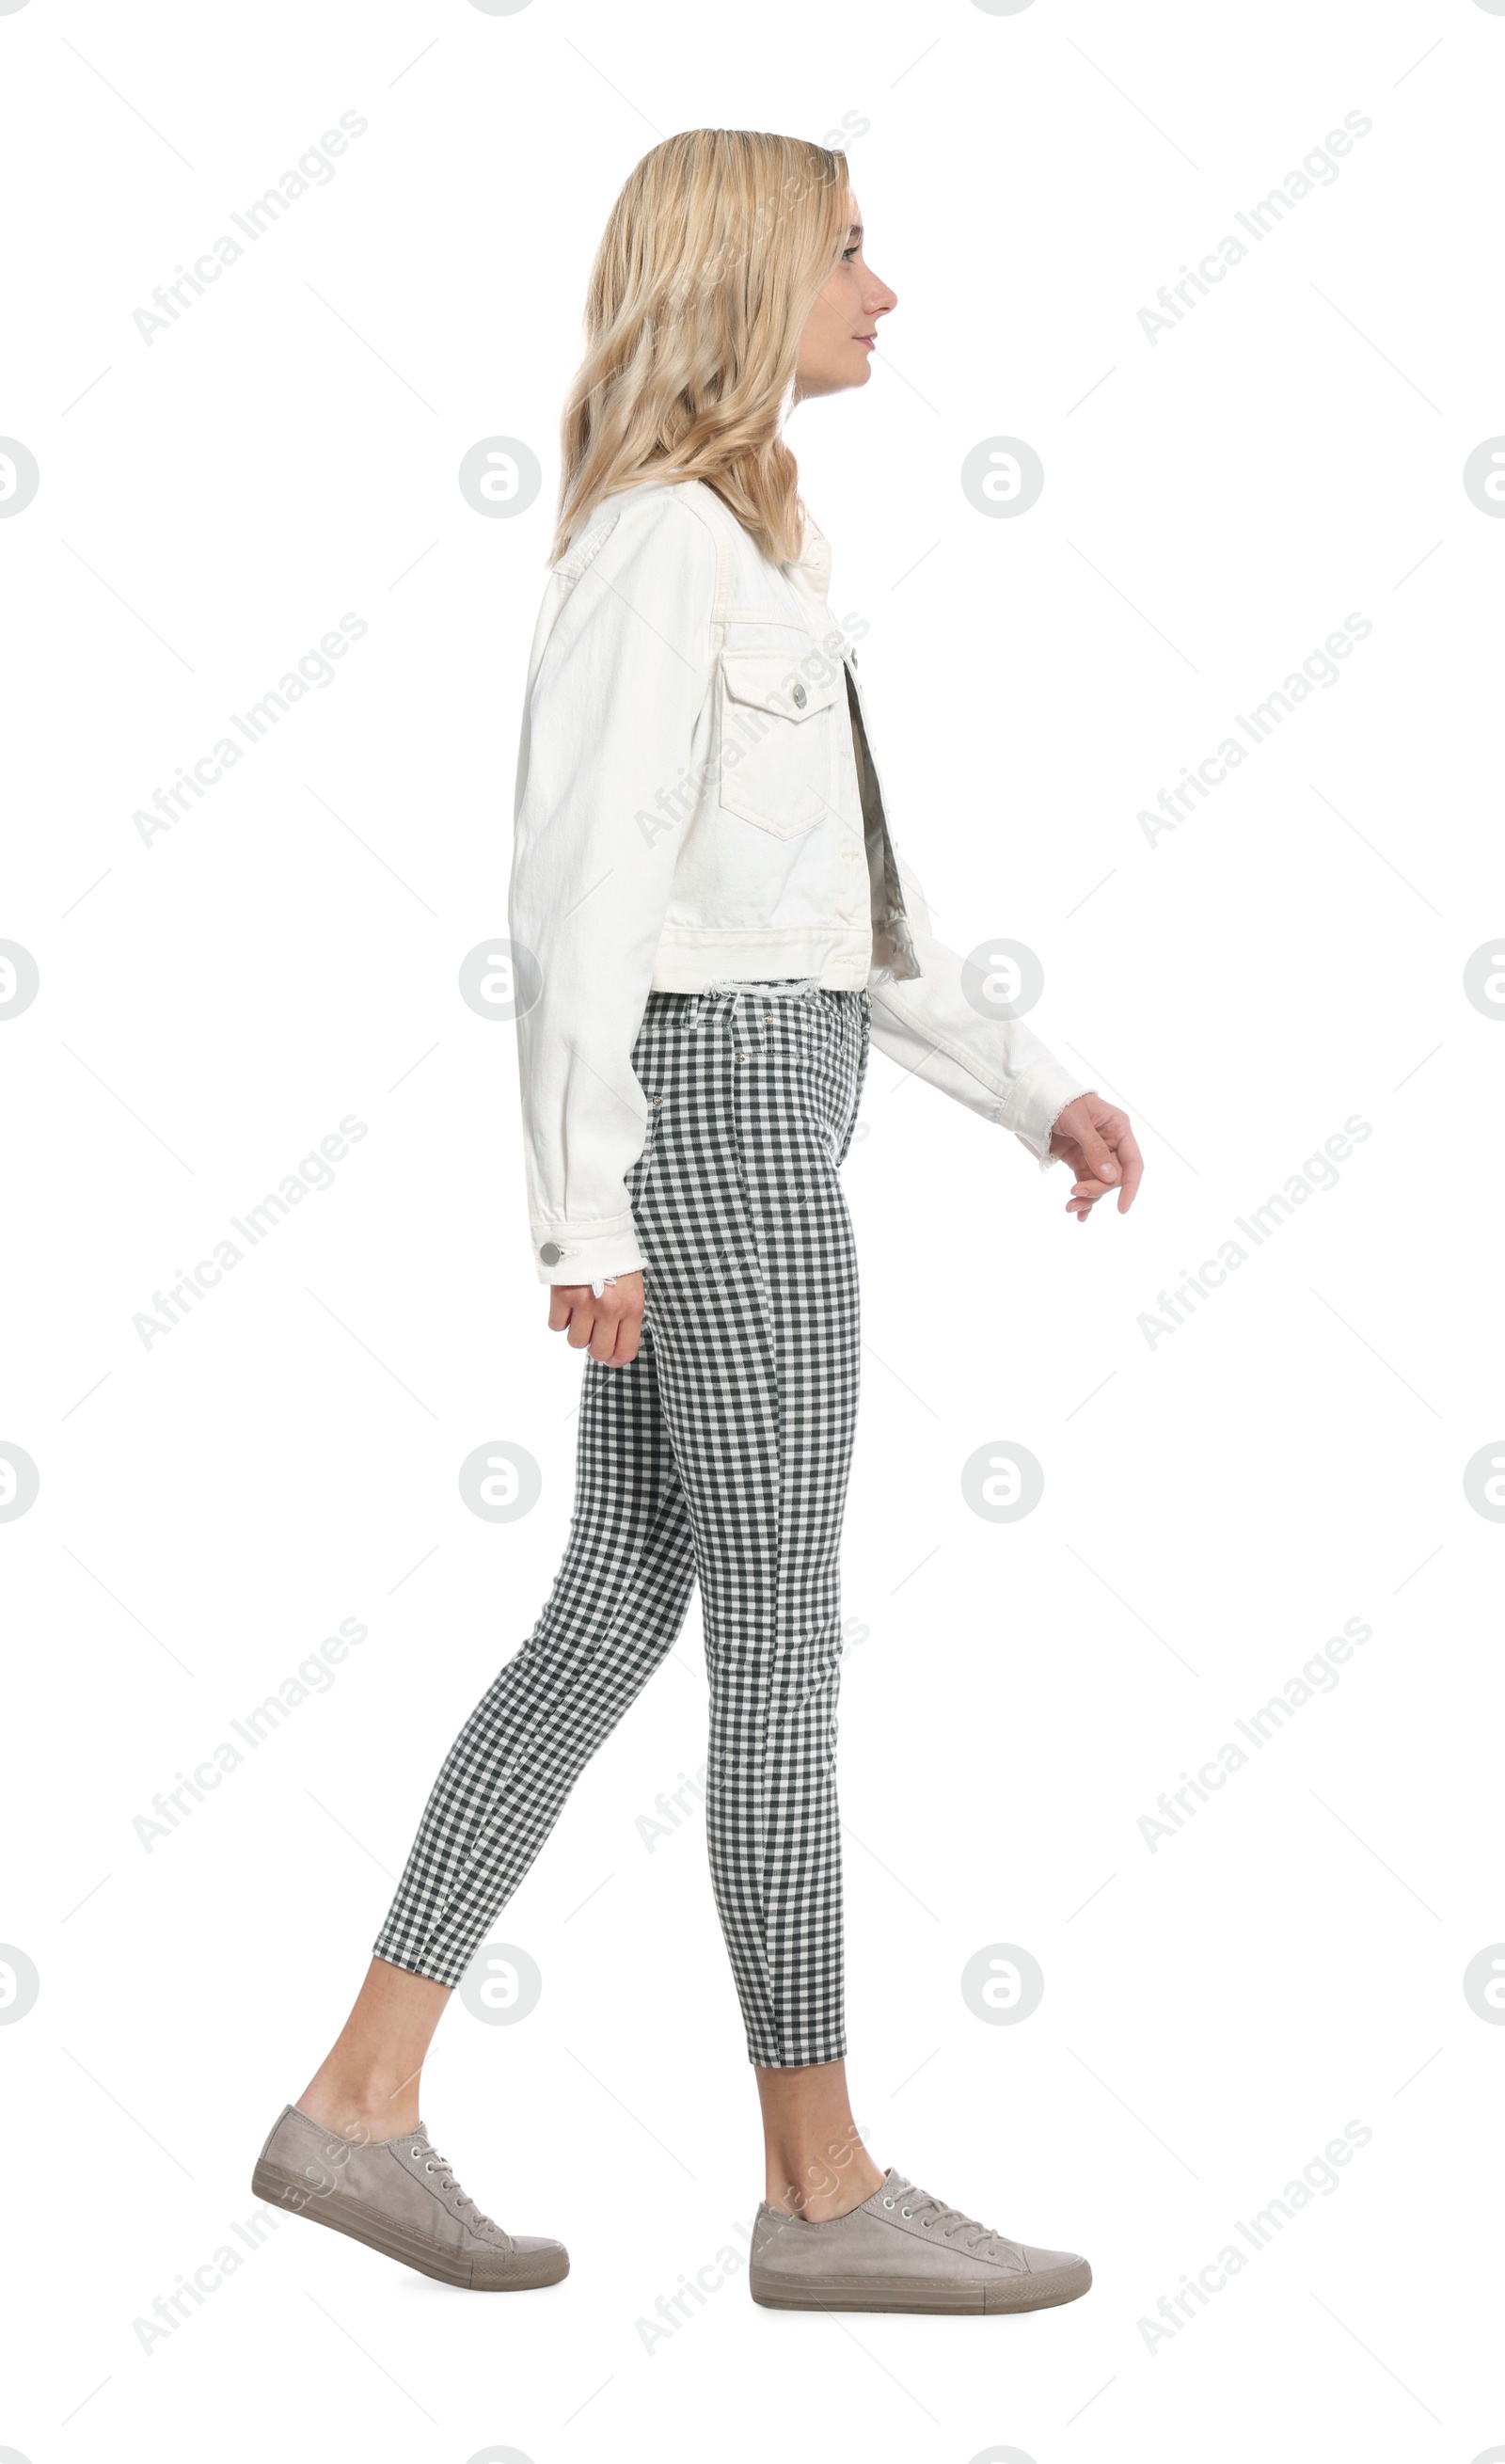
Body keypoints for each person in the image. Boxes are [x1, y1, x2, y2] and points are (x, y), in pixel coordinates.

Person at [253, 127, 1142, 2314]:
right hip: (715, 1139)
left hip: (763, 1103)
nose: (884, 290)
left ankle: (353, 2105)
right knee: (776, 1648)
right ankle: (819, 2188)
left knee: (604, 1618)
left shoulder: (766, 546)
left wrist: (1032, 1084)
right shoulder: (657, 547)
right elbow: (578, 902)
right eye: (849, 251)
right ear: (748, 279)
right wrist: (578, 1213)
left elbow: (828, 910)